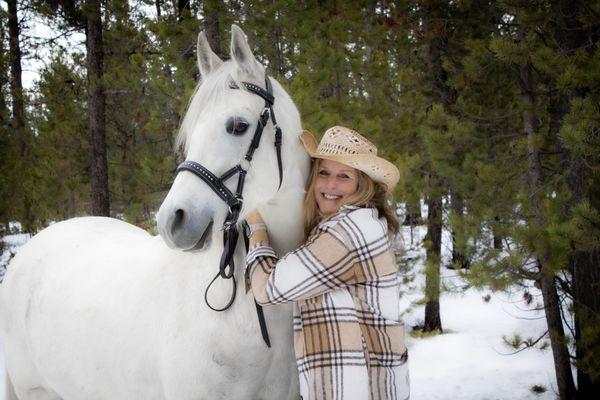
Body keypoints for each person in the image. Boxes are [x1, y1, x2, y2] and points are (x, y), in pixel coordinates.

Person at [245, 126, 409, 400]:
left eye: (343, 176)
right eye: (324, 172)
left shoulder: (349, 233)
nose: (330, 185)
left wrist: (257, 227)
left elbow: (268, 290)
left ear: (362, 185)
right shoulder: (358, 224)